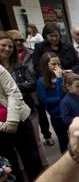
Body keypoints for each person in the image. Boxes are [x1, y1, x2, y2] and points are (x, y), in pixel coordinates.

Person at [0, 31, 47, 174]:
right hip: (3, 121)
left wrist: (14, 88)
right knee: (9, 160)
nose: (7, 49)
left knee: (32, 152)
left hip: (23, 112)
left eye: (10, 46)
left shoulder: (19, 65)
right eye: (3, 45)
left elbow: (28, 85)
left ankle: (39, 179)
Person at [0, 64, 42, 182]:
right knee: (8, 166)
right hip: (1, 129)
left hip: (20, 118)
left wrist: (12, 121)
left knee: (32, 159)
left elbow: (13, 92)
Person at [36, 52, 68, 154]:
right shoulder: (41, 81)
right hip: (57, 116)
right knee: (63, 141)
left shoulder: (64, 77)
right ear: (46, 65)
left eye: (58, 64)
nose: (57, 67)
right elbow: (45, 100)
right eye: (53, 64)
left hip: (69, 113)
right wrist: (59, 80)